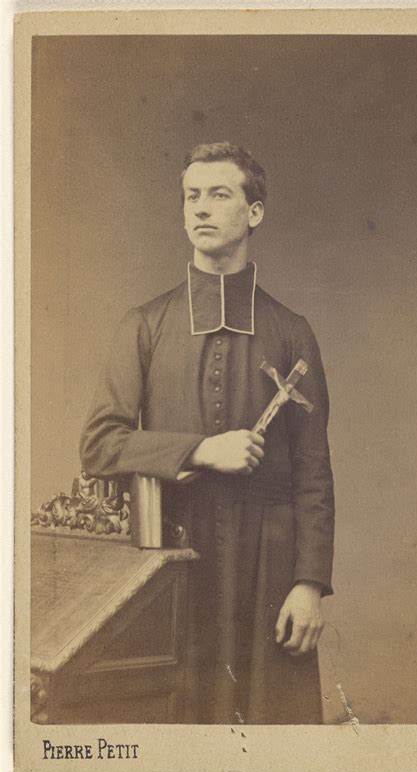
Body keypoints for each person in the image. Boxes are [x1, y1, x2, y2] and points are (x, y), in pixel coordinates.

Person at [80, 142, 335, 724]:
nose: (201, 208)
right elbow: (99, 444)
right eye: (191, 196)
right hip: (173, 561)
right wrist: (199, 450)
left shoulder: (292, 332)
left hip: (268, 571)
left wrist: (310, 582)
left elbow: (314, 472)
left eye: (219, 194)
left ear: (254, 213)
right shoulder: (143, 326)